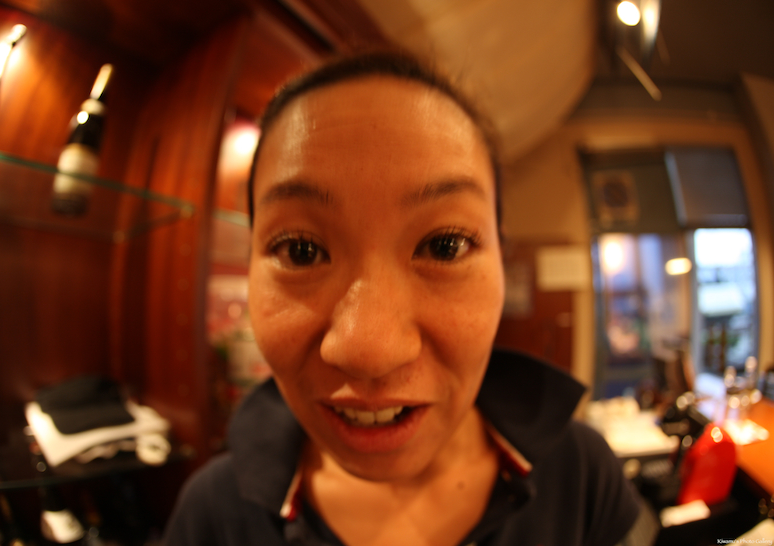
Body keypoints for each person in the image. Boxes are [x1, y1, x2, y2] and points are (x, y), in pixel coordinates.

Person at [163, 49, 641, 546]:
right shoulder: (209, 517)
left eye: (444, 246)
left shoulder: (583, 476)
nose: (370, 351)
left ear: (502, 259)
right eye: (300, 251)